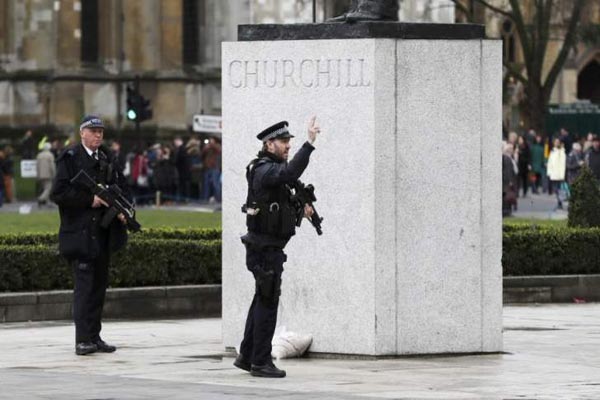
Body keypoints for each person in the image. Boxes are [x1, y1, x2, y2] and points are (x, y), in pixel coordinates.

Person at [234, 117, 321, 378]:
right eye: (283, 142)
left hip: (268, 248)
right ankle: (261, 362)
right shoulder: (264, 170)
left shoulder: (272, 170)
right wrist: (309, 143)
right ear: (268, 144)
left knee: (261, 300)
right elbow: (289, 173)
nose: (288, 146)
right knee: (268, 304)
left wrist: (300, 209)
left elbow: (278, 205)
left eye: (289, 142)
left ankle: (247, 356)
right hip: (264, 249)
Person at [50, 115, 129, 356]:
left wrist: (121, 211)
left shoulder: (105, 158)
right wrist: (89, 200)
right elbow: (59, 193)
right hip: (80, 232)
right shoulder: (70, 158)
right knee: (84, 289)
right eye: (93, 131)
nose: (98, 135)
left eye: (100, 131)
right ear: (82, 133)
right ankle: (83, 339)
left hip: (102, 233)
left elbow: (118, 189)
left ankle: (94, 336)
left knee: (98, 288)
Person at [546, 138, 567, 209]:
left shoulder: (561, 151)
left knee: (559, 190)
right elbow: (550, 162)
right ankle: (559, 202)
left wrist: (562, 175)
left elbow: (562, 164)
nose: (556, 143)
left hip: (559, 174)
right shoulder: (553, 151)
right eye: (555, 142)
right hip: (553, 174)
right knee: (556, 190)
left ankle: (560, 203)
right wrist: (549, 172)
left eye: (558, 142)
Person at [36, 143, 56, 207]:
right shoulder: (50, 155)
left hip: (41, 174)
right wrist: (54, 173)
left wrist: (38, 174)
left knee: (45, 188)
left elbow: (37, 166)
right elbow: (52, 166)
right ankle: (40, 199)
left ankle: (48, 202)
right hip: (48, 174)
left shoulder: (39, 155)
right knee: (48, 189)